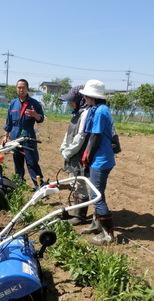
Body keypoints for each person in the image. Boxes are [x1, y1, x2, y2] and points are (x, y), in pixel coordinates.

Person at [79, 79, 116, 245]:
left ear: (92, 97)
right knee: (97, 193)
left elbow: (96, 137)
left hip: (100, 160)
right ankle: (96, 225)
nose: (84, 99)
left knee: (97, 196)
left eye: (86, 96)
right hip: (102, 158)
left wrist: (87, 157)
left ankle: (108, 235)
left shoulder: (100, 112)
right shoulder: (100, 109)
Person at [3, 79, 44, 190]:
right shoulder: (13, 103)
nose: (21, 89)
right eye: (19, 87)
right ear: (16, 89)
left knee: (32, 161)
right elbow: (9, 122)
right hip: (15, 135)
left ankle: (39, 185)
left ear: (27, 89)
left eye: (23, 87)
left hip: (28, 135)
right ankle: (19, 182)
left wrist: (35, 114)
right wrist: (5, 135)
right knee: (17, 160)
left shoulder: (34, 103)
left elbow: (40, 119)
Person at [58, 85, 90, 225]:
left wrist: (68, 151)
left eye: (72, 101)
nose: (70, 103)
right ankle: (75, 212)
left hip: (78, 154)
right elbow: (69, 133)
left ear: (80, 99)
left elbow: (80, 138)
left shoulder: (85, 114)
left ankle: (80, 216)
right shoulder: (77, 113)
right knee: (73, 181)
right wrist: (63, 147)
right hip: (72, 153)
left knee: (79, 183)